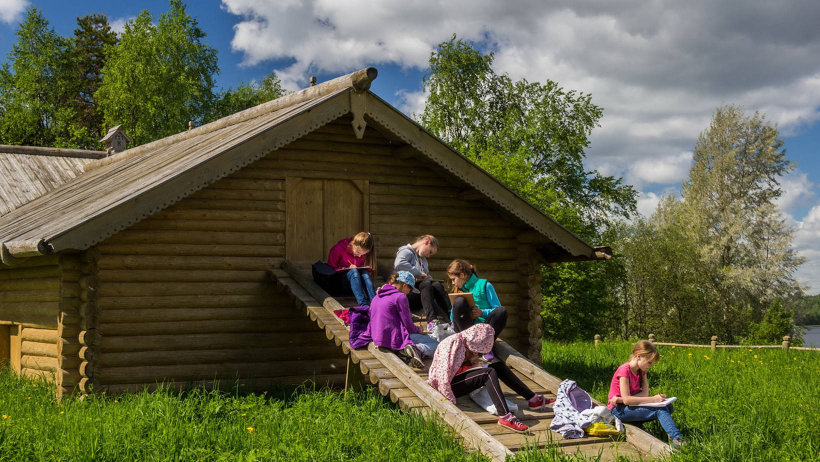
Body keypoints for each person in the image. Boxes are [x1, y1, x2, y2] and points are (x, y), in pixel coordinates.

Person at [427, 324, 553, 433]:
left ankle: (532, 398)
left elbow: (459, 368)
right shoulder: (451, 344)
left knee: (498, 366)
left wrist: (473, 365)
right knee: (488, 373)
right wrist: (450, 403)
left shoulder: (464, 343)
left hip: (455, 379)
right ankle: (505, 416)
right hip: (445, 386)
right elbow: (443, 377)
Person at [607, 340, 684, 448]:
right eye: (649, 362)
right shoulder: (624, 370)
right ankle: (678, 440)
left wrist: (622, 399)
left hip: (628, 405)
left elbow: (644, 394)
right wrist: (653, 399)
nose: (651, 365)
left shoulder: (641, 371)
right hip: (618, 409)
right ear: (638, 356)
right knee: (660, 410)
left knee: (668, 407)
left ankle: (637, 423)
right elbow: (627, 400)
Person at [358, 271, 439, 368]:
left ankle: (410, 353)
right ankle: (417, 349)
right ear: (405, 285)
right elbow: (408, 325)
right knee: (437, 345)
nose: (410, 292)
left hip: (376, 338)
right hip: (393, 339)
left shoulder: (377, 296)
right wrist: (419, 330)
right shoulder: (400, 297)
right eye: (410, 289)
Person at [446, 259, 507, 342]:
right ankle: (468, 345)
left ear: (462, 275)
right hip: (466, 331)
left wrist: (482, 313)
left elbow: (497, 310)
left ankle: (486, 344)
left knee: (502, 311)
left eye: (453, 279)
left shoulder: (485, 285)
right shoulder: (458, 289)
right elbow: (453, 319)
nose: (453, 283)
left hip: (484, 328)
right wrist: (456, 307)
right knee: (459, 301)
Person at [393, 235, 451, 322]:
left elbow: (426, 276)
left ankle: (452, 317)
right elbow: (399, 264)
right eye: (430, 252)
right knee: (426, 284)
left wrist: (427, 278)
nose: (428, 255)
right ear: (426, 242)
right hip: (404, 294)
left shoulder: (423, 260)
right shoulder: (405, 251)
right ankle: (432, 321)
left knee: (436, 285)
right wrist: (418, 274)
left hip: (419, 295)